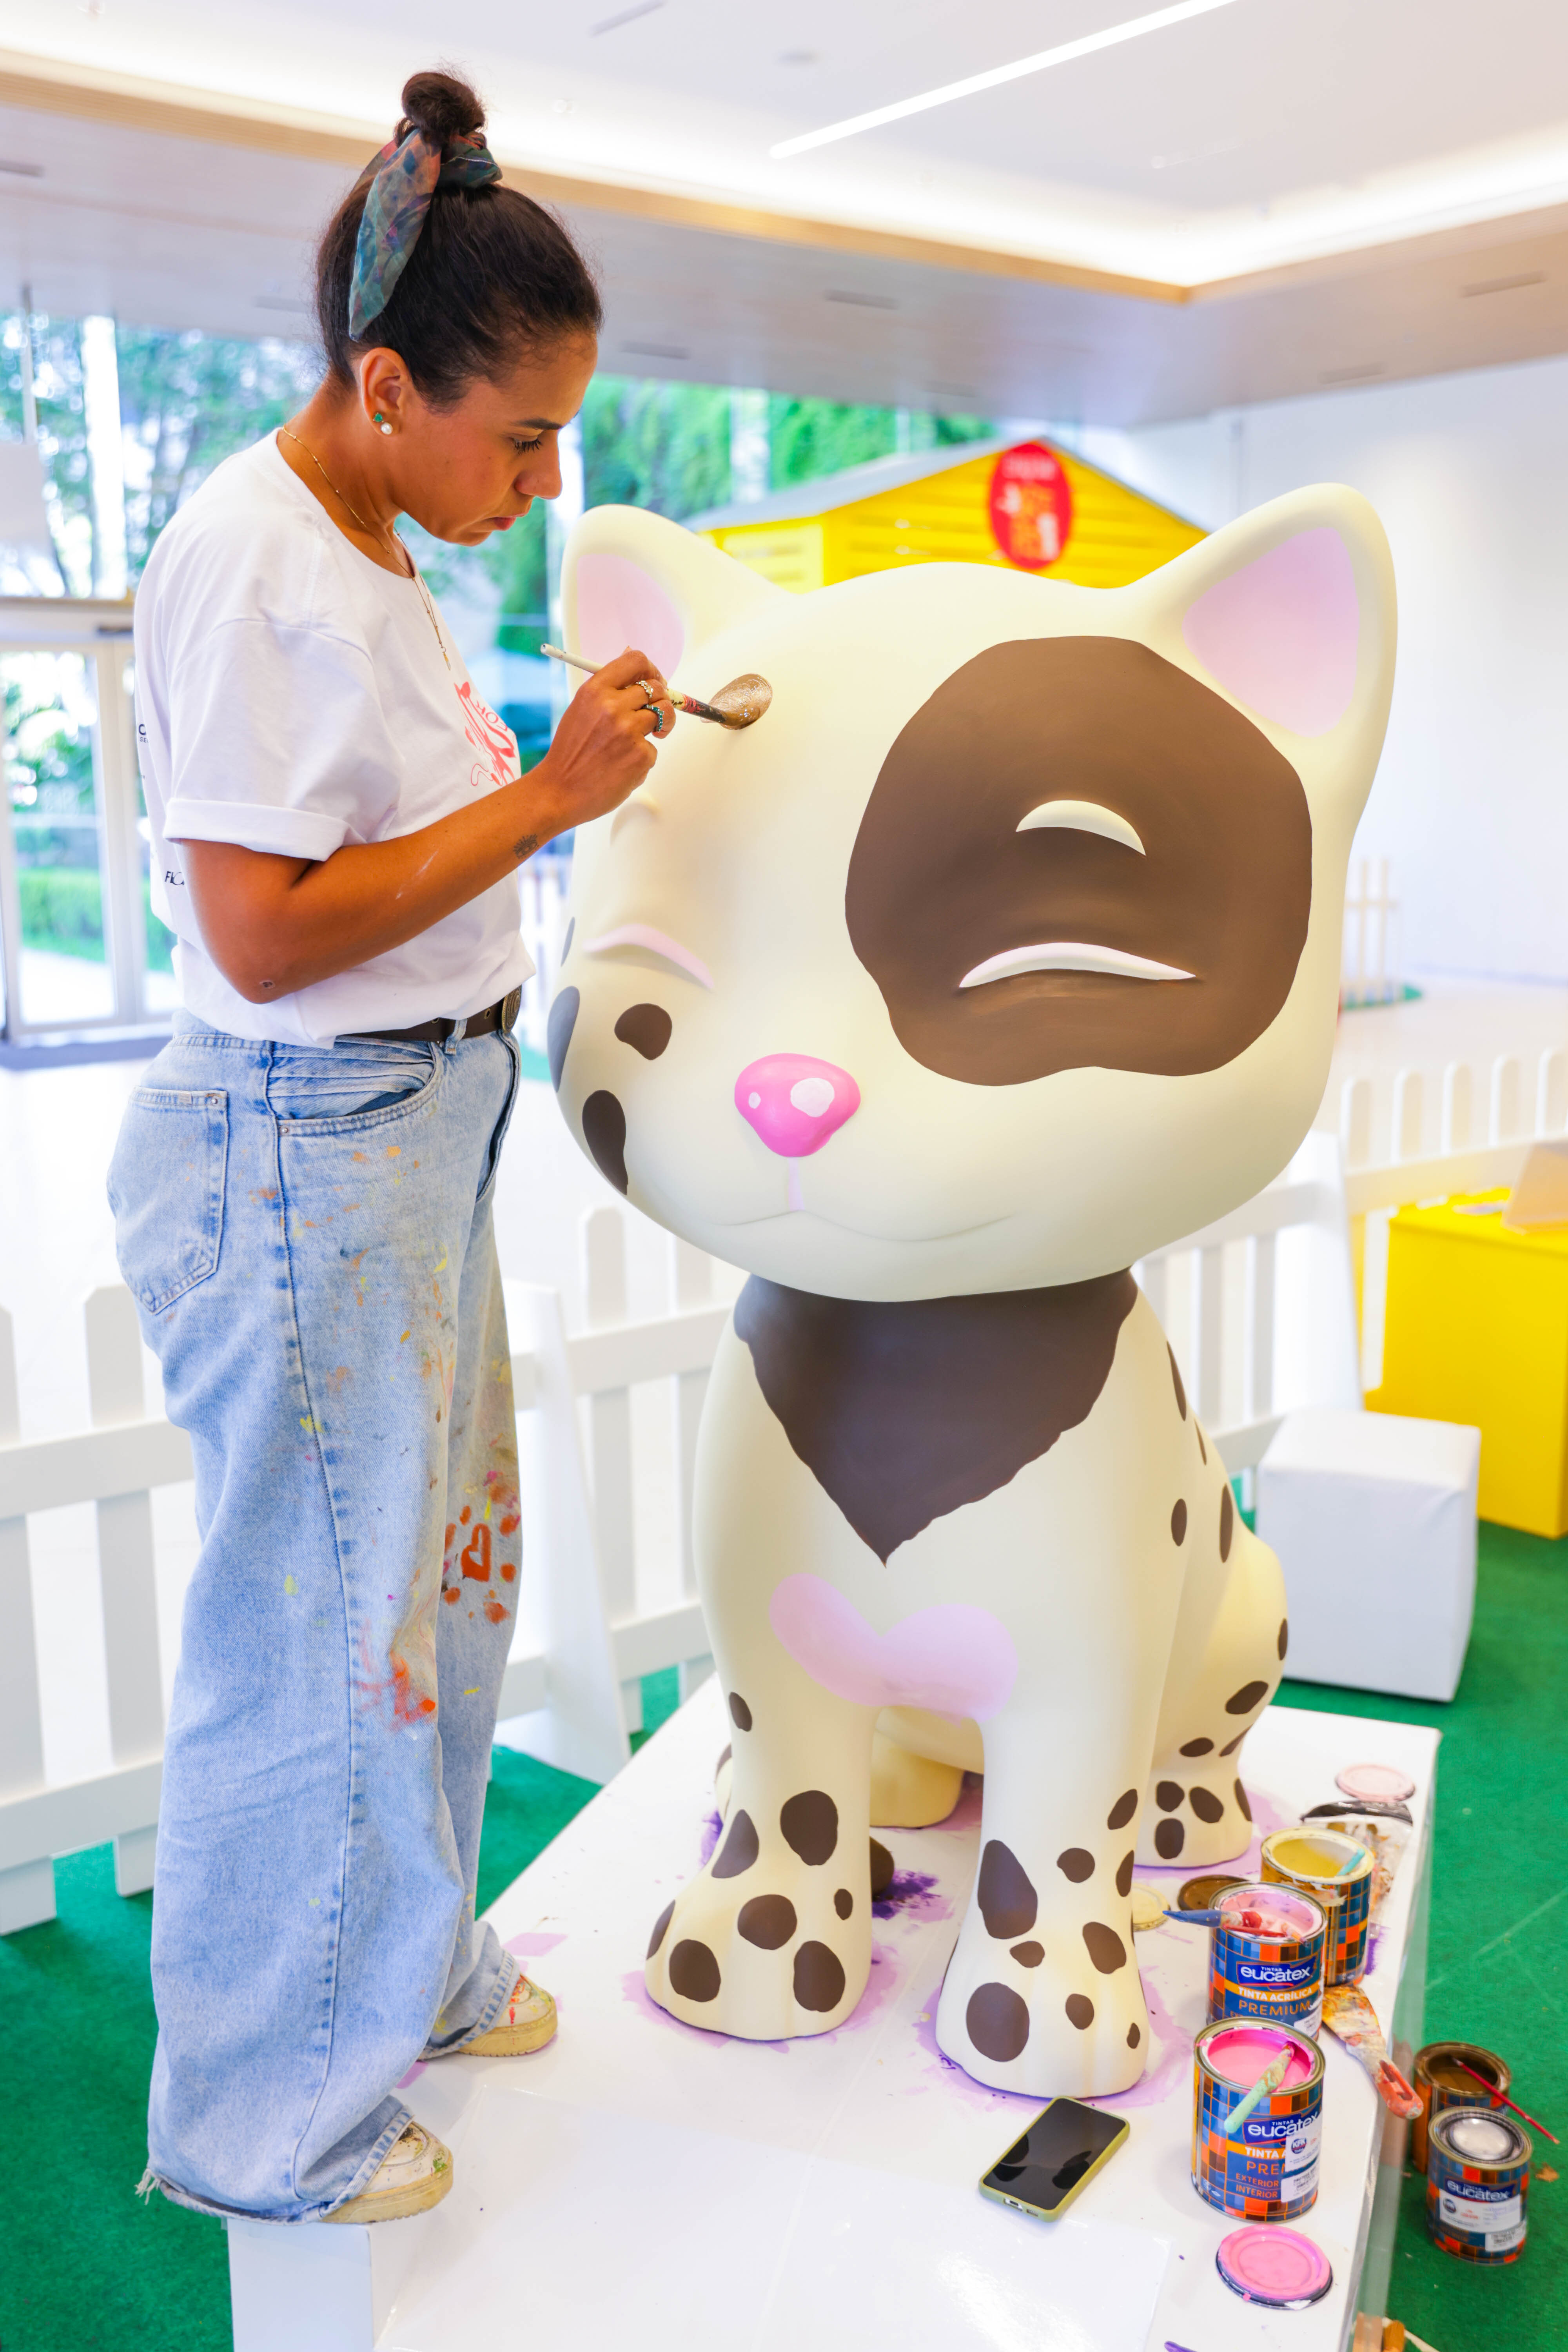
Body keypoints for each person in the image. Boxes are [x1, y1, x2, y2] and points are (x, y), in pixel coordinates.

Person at [110, 67, 671, 2226]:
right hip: (304, 1144)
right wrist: (546, 804)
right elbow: (258, 937)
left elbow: (360, 842)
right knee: (322, 1638)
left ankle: (401, 1971)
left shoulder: (361, 546)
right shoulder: (258, 564)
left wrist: (540, 770)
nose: (543, 481)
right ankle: (263, 2122)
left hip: (405, 1132)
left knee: (437, 1593)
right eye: (521, 438)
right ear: (382, 384)